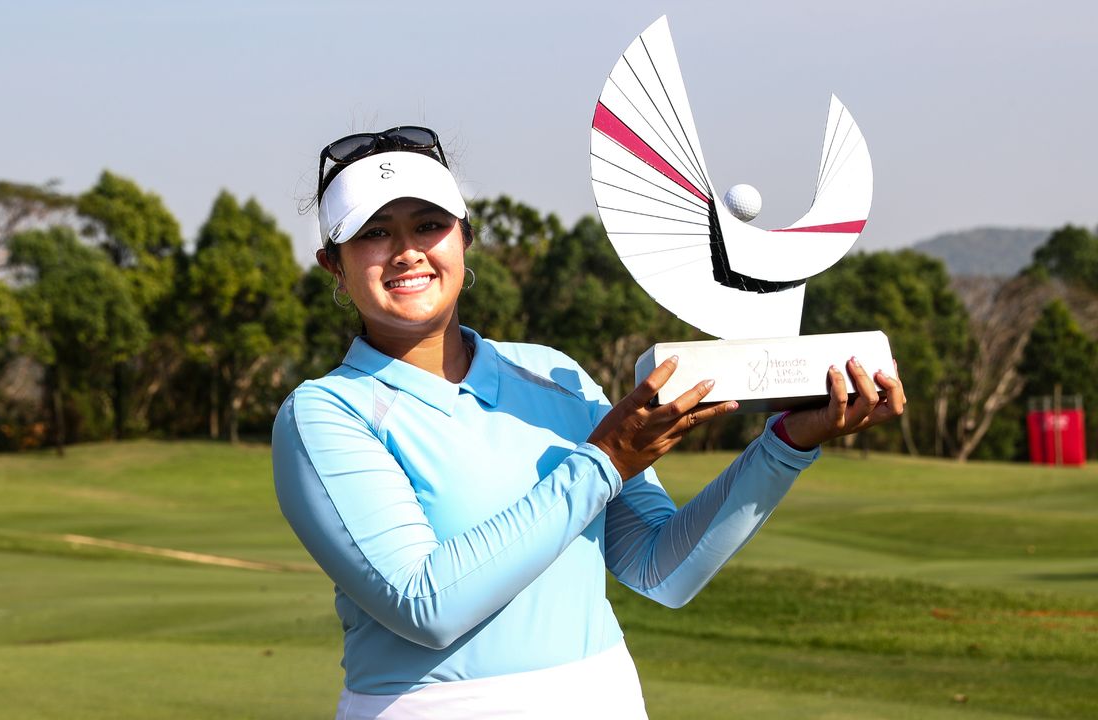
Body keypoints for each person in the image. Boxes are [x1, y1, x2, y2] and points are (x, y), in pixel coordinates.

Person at [271, 126, 906, 719]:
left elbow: (663, 567)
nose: (408, 252)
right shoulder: (325, 414)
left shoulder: (553, 374)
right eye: (374, 233)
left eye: (429, 224)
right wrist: (603, 462)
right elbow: (426, 606)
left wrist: (789, 444)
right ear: (335, 264)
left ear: (464, 237)